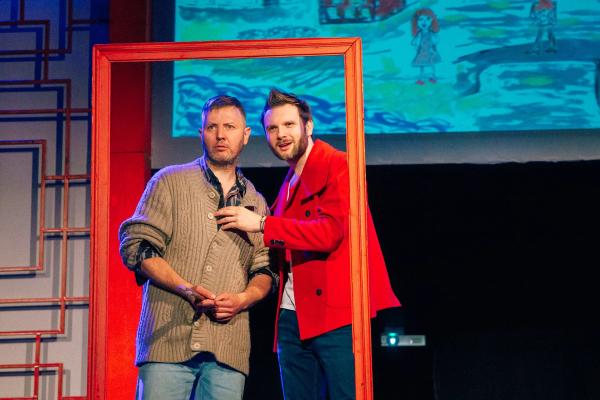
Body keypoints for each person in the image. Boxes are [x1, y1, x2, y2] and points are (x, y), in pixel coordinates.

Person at [214, 88, 400, 399]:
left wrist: (262, 224)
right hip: (292, 316)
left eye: (289, 125)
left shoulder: (338, 165)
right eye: (272, 128)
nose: (281, 135)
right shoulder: (288, 183)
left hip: (336, 315)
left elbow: (329, 233)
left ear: (308, 126)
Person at [118, 95, 274, 400]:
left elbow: (265, 269)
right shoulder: (170, 181)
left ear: (245, 135)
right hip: (166, 339)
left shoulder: (256, 202)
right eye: (212, 127)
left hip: (228, 347)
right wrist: (185, 288)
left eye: (229, 127)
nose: (220, 135)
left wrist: (242, 299)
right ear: (201, 133)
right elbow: (138, 246)